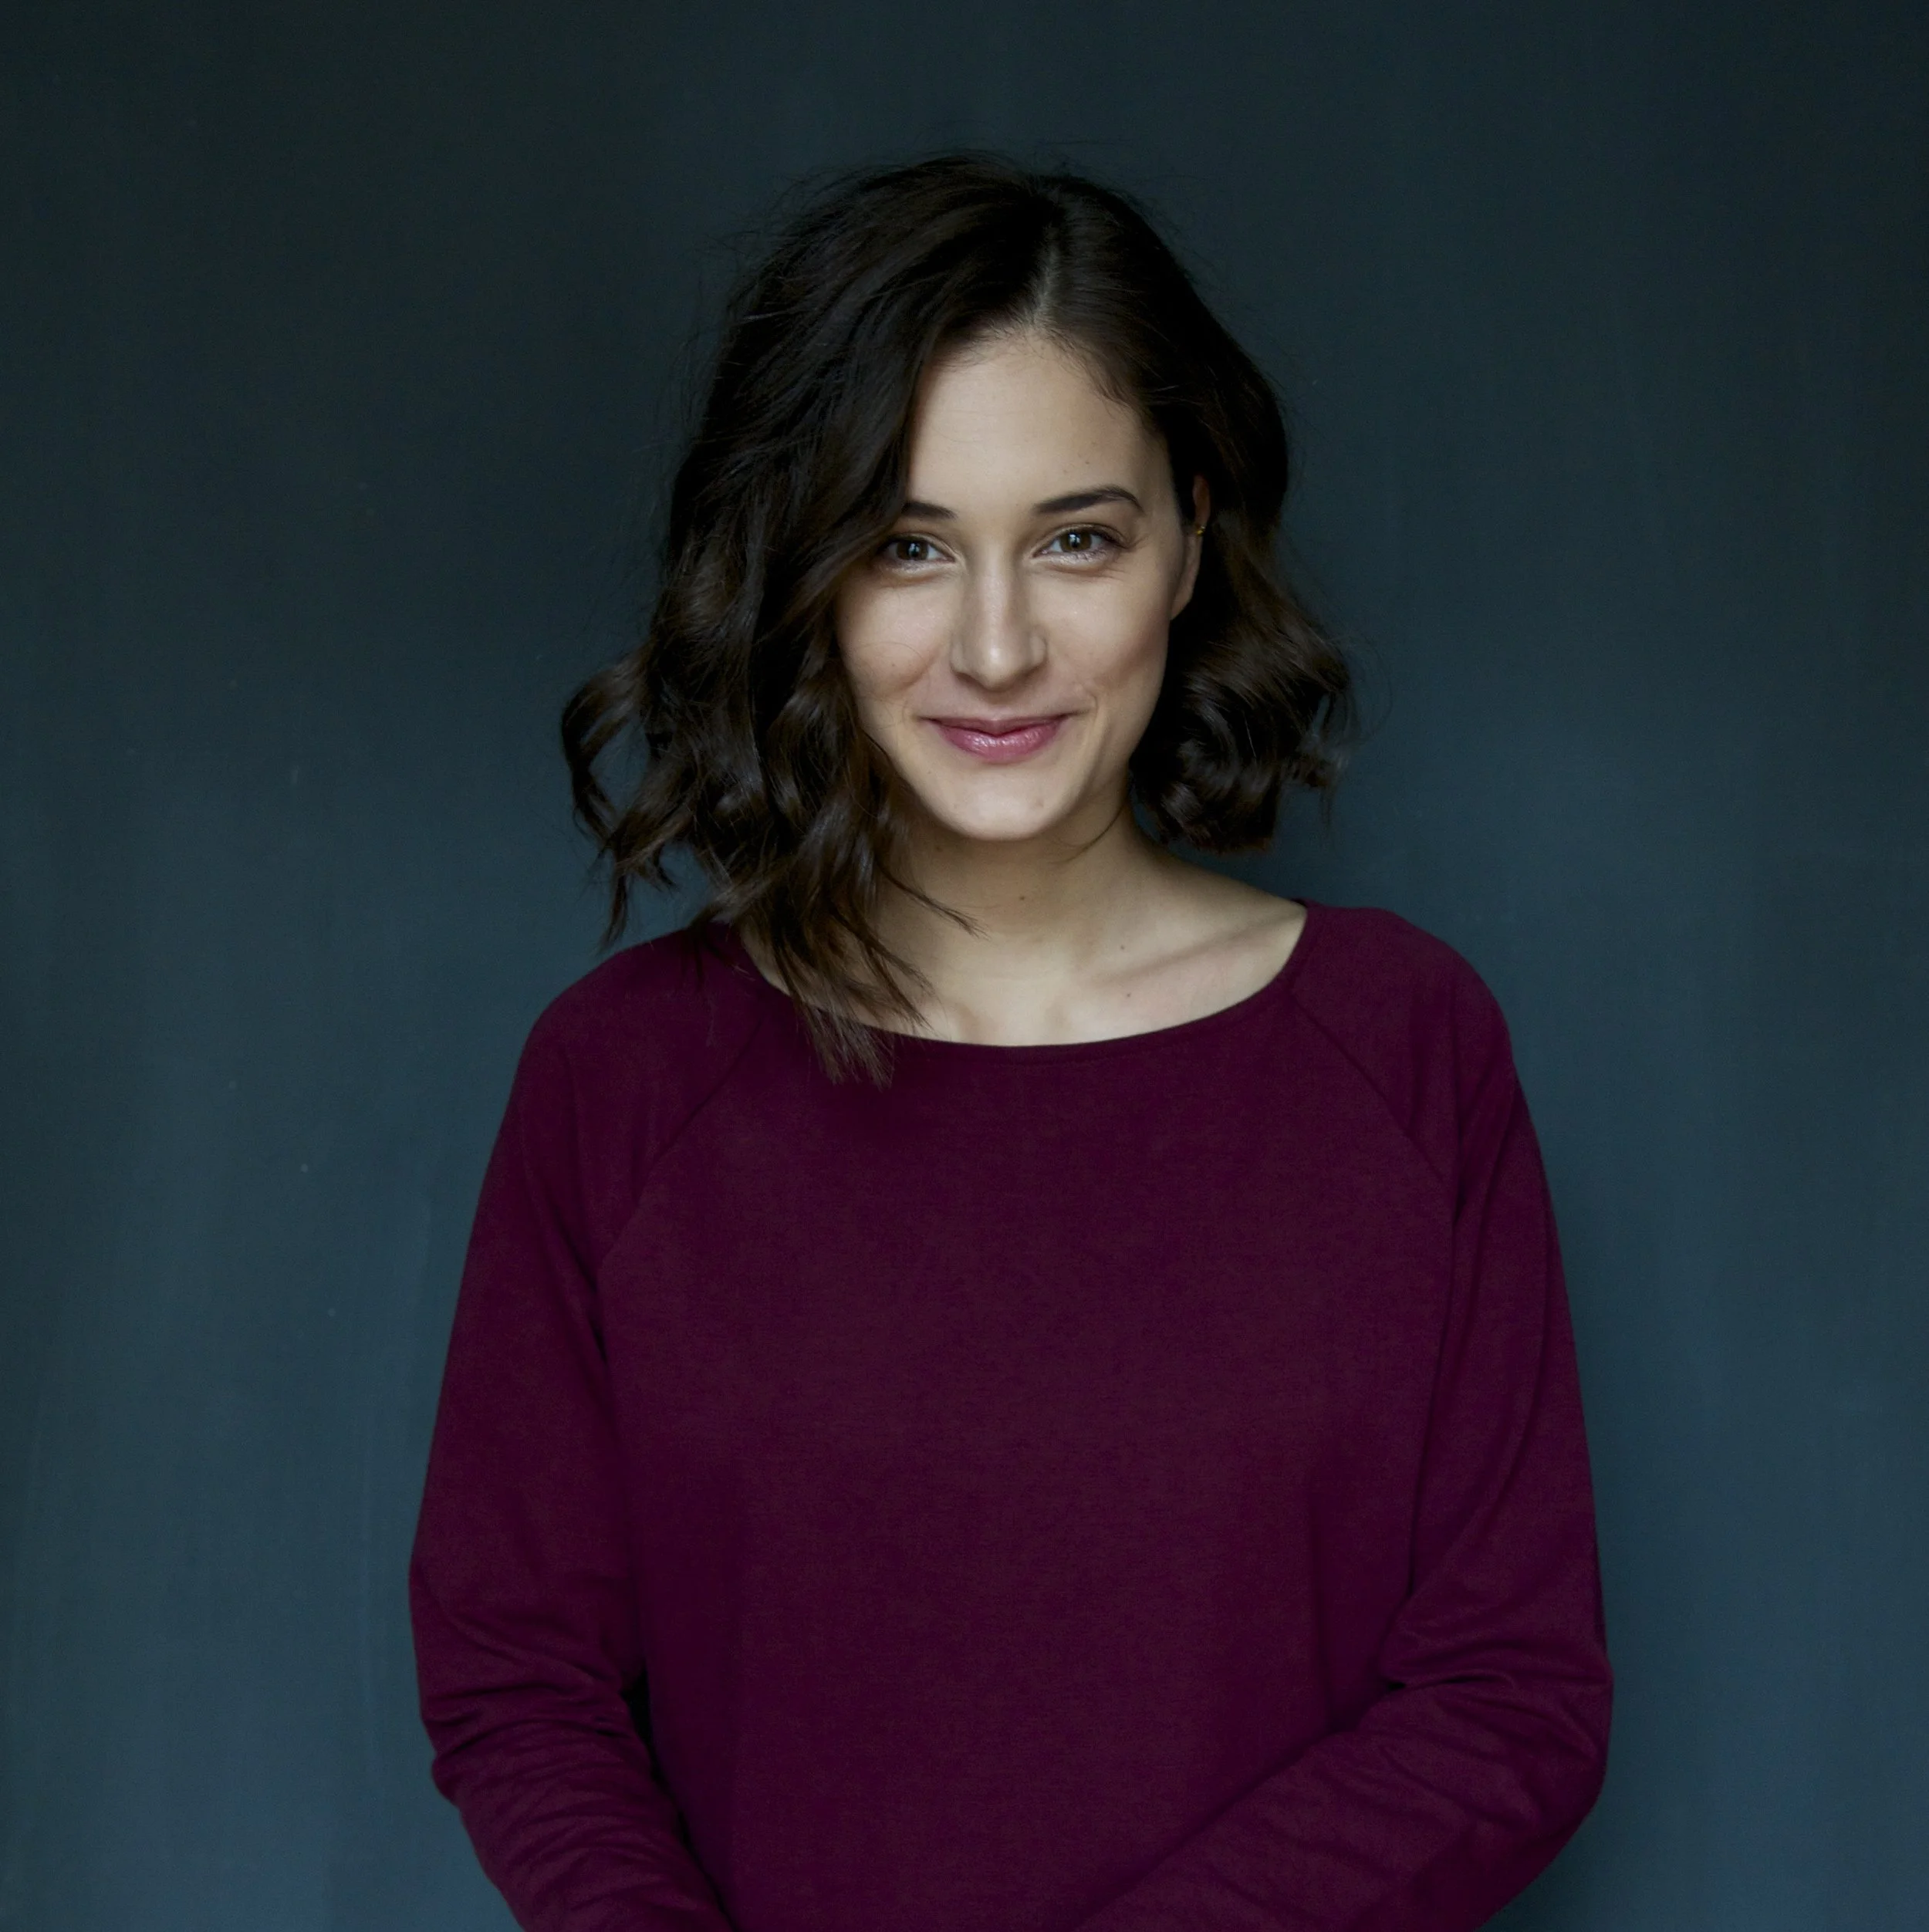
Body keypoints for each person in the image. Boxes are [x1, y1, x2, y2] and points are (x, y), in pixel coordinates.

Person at [410, 154, 1611, 1932]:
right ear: (798, 571)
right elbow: (521, 1682)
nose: (993, 645)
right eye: (908, 545)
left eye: (1075, 537)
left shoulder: (1401, 1048)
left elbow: (1510, 1696)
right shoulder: (623, 1083)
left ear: (1189, 537)